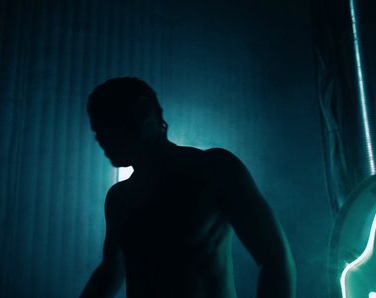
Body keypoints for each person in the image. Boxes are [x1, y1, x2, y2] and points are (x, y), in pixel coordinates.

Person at [80, 77, 296, 298]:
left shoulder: (213, 169)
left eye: (107, 125)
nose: (100, 138)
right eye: (97, 129)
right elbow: (111, 272)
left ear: (143, 115)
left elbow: (275, 260)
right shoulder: (119, 198)